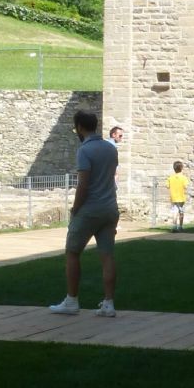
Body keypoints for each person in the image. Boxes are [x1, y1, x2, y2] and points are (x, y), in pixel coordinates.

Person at [49, 109, 120, 317]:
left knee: (72, 252)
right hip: (110, 207)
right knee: (107, 256)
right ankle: (109, 303)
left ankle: (71, 300)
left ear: (80, 127)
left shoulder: (84, 150)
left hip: (90, 208)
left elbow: (83, 184)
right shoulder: (110, 148)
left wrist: (75, 208)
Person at [167, 160, 189, 229]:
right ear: (181, 168)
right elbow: (186, 186)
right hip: (181, 197)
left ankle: (174, 226)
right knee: (181, 212)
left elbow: (167, 186)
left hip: (173, 197)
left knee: (174, 212)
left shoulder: (170, 178)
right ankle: (181, 226)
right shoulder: (184, 178)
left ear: (174, 168)